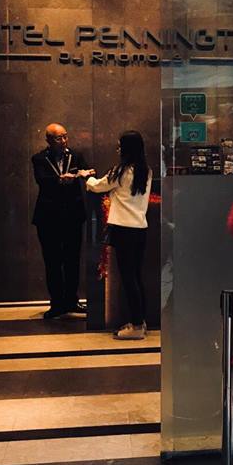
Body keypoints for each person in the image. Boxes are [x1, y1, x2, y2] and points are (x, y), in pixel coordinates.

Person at [87, 130, 152, 340]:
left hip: (123, 230)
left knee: (128, 278)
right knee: (136, 276)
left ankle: (136, 326)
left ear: (126, 149)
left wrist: (87, 177)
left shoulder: (121, 171)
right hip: (140, 228)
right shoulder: (146, 171)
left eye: (119, 145)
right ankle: (140, 321)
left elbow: (98, 186)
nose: (117, 149)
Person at [32, 123, 95, 319]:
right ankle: (57, 303)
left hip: (72, 216)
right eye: (59, 138)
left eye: (65, 136)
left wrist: (84, 174)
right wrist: (62, 179)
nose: (64, 141)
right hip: (48, 217)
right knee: (52, 261)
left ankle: (71, 300)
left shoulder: (75, 155)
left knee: (72, 260)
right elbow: (43, 180)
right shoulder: (39, 159)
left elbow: (89, 172)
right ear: (49, 140)